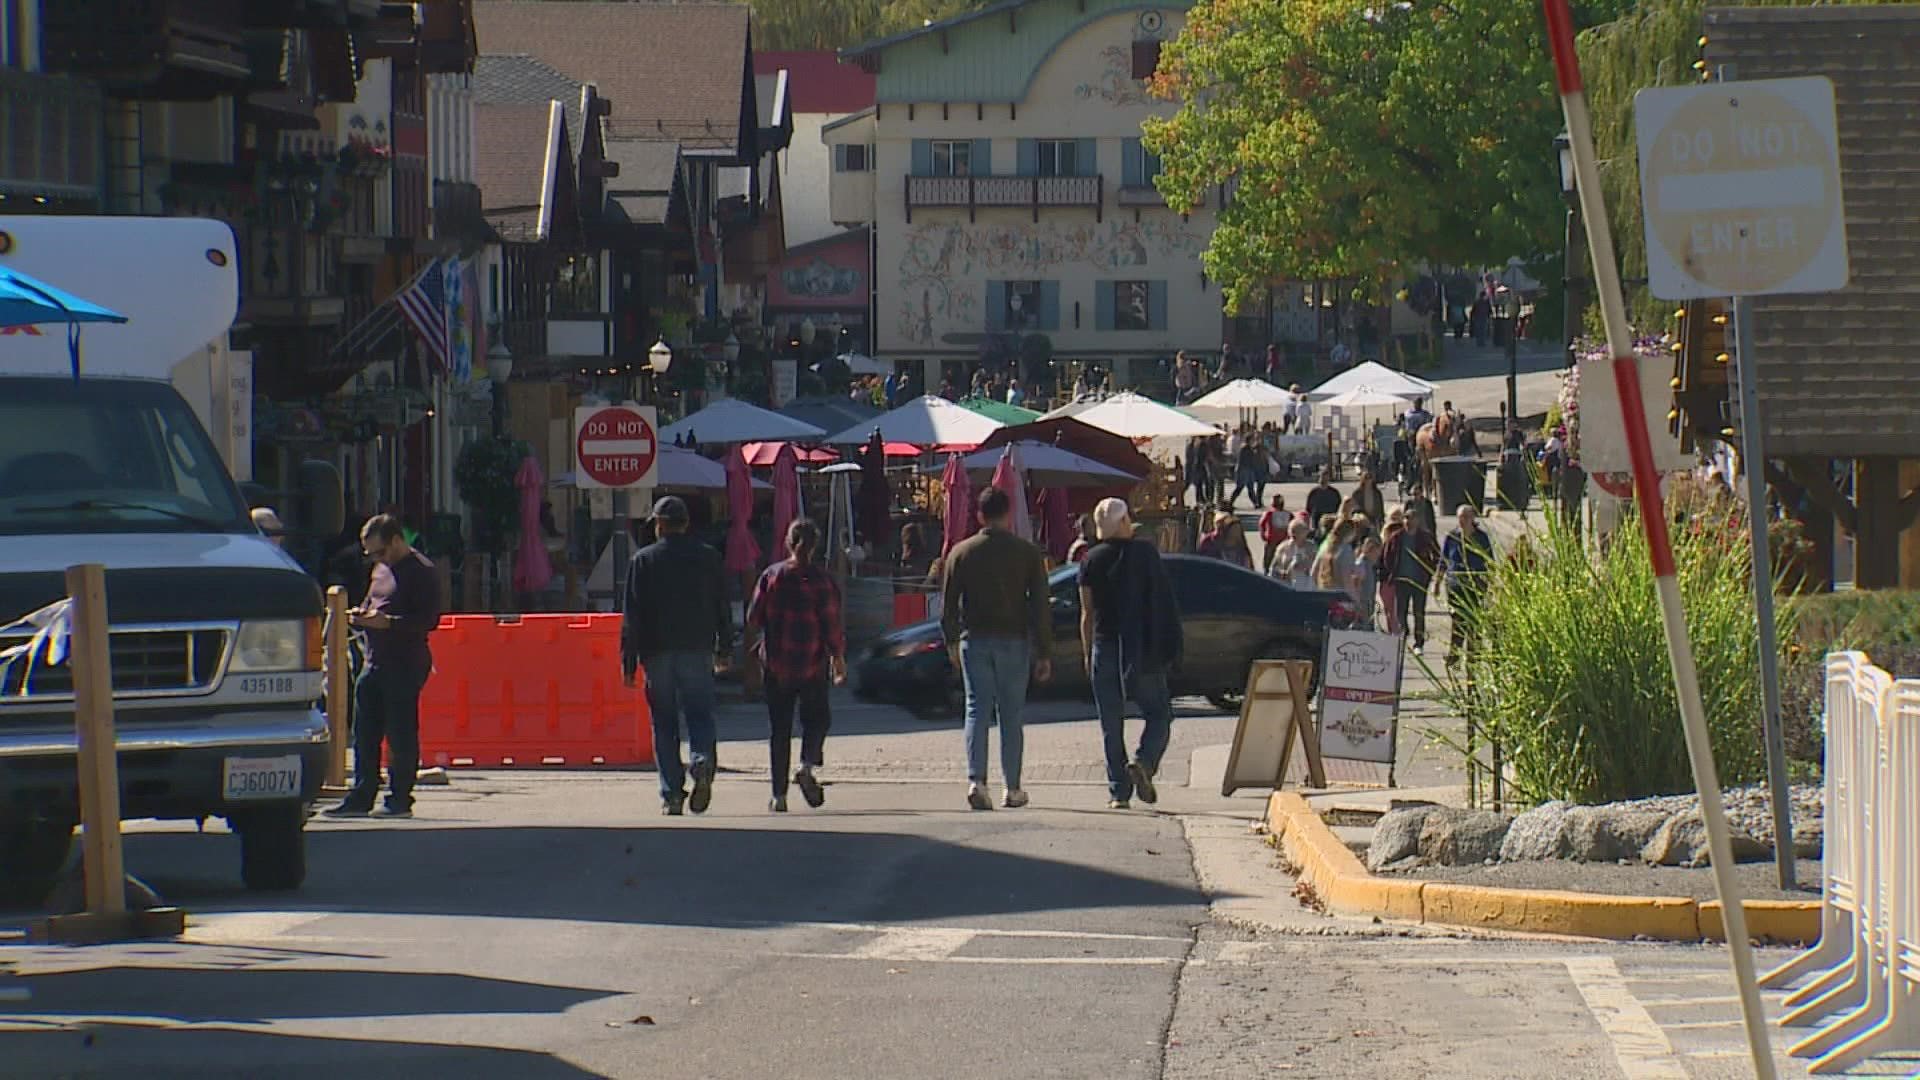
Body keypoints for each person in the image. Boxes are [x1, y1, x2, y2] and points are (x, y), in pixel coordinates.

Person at [940, 487, 1053, 810]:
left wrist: (950, 640)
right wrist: (1044, 650)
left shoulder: (961, 552)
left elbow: (948, 604)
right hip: (1014, 640)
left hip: (974, 639)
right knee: (1010, 714)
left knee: (976, 709)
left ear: (979, 515)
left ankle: (977, 780)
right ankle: (1013, 787)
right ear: (1008, 513)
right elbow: (1040, 605)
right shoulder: (1027, 553)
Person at [621, 496, 733, 816]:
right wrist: (724, 648)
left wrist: (628, 662)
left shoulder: (642, 561)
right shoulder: (709, 558)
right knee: (700, 714)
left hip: (656, 652)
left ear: (659, 525)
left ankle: (672, 794)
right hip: (697, 648)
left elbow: (633, 618)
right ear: (686, 523)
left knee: (664, 722)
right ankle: (701, 760)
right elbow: (721, 607)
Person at [326, 513, 441, 819]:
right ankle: (361, 796)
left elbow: (428, 621)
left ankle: (399, 799)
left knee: (401, 733)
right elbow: (372, 603)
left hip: (404, 662)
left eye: (380, 552)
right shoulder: (381, 569)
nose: (376, 559)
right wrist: (360, 614)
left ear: (397, 540)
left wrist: (388, 623)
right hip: (374, 660)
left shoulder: (422, 572)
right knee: (365, 732)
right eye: (371, 554)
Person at [1078, 498, 1182, 810]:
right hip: (1141, 647)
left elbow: (1087, 612)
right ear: (1124, 523)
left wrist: (1086, 653)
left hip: (1104, 644)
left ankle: (1118, 792)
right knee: (1159, 713)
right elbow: (1163, 599)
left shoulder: (1090, 559)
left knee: (1111, 723)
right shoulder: (1146, 554)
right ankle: (1144, 761)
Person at [746, 519, 846, 813]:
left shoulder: (772, 576)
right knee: (818, 720)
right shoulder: (822, 581)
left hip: (776, 663)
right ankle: (806, 765)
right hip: (812, 663)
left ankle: (779, 796)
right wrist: (838, 656)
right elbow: (831, 624)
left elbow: (754, 617)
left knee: (779, 729)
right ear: (814, 547)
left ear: (787, 543)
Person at [1441, 505, 1496, 661]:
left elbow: (1489, 561)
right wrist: (1438, 582)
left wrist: (1491, 583)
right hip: (1456, 584)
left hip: (1475, 585)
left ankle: (1474, 654)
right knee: (1457, 620)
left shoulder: (1481, 538)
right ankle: (1455, 655)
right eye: (1460, 517)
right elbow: (1444, 560)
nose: (1462, 520)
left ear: (1473, 518)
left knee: (1474, 621)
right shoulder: (1452, 537)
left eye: (1465, 517)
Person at [1383, 505, 1441, 654]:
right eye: (1407, 518)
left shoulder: (1425, 537)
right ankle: (1403, 634)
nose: (1409, 521)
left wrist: (1430, 572)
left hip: (1419, 581)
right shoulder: (1396, 537)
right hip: (1401, 580)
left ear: (1418, 521)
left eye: (1412, 518)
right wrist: (1391, 573)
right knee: (1401, 611)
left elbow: (1438, 556)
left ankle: (1419, 643)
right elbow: (1387, 556)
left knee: (1419, 612)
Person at [1270, 517, 1316, 590]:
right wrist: (1283, 573)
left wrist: (1306, 567)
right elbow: (1273, 568)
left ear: (1305, 533)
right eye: (1292, 532)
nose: (1294, 535)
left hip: (1306, 585)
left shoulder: (1311, 547)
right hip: (1286, 585)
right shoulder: (1283, 547)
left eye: (1297, 532)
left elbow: (1316, 567)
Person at [1353, 535, 1383, 628]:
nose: (1378, 556)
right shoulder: (1361, 564)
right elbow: (1356, 585)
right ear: (1371, 550)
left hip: (1368, 604)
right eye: (1377, 552)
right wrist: (1358, 606)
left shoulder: (1370, 565)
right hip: (1362, 605)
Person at [1258, 493, 1288, 572]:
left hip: (1272, 538)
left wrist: (1263, 534)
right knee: (1280, 556)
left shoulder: (1269, 513)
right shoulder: (1287, 514)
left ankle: (1267, 570)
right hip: (1281, 538)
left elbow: (1261, 523)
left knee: (1269, 556)